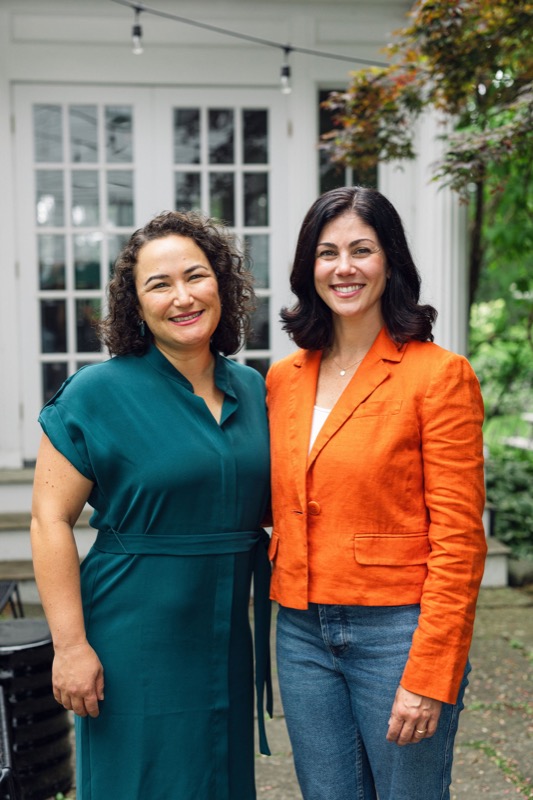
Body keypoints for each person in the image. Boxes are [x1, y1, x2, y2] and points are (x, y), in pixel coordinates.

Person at [30, 210, 272, 800]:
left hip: (223, 631)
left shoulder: (256, 389)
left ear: (223, 284)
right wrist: (70, 647)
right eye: (159, 285)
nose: (182, 297)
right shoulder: (97, 392)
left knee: (220, 777)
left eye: (196, 276)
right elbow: (48, 520)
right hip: (130, 633)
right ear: (135, 306)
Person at [266, 186, 487, 800]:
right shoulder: (283, 378)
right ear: (308, 267)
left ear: (390, 260)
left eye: (361, 250)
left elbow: (461, 539)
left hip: (397, 633)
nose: (344, 268)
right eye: (327, 252)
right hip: (302, 632)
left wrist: (431, 672)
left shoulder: (438, 375)